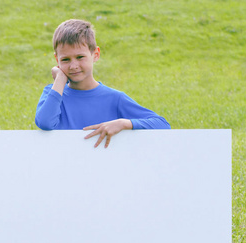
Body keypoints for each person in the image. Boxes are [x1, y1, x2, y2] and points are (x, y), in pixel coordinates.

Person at [35, 19, 171, 148]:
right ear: (57, 60)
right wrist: (59, 79)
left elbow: (163, 125)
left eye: (80, 57)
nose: (73, 65)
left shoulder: (115, 98)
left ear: (95, 55)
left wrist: (124, 123)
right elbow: (45, 122)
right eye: (65, 59)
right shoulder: (53, 93)